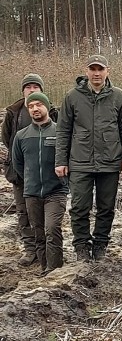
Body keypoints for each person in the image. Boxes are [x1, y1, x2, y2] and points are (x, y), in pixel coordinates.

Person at [55, 55, 122, 262]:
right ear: (87, 71)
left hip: (110, 160)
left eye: (100, 69)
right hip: (79, 161)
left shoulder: (118, 96)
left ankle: (101, 244)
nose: (96, 73)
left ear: (107, 71)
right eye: (93, 69)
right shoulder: (72, 96)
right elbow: (63, 130)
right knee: (80, 206)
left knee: (106, 206)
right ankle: (81, 245)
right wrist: (61, 161)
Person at [2, 73, 57, 266]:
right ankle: (30, 249)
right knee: (23, 211)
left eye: (36, 87)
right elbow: (7, 138)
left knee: (46, 217)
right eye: (28, 87)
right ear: (23, 91)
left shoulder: (52, 111)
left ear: (41, 90)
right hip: (20, 172)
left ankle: (48, 252)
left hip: (48, 175)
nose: (32, 90)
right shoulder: (13, 112)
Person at [11, 92, 68, 275]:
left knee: (52, 228)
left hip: (56, 191)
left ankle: (55, 269)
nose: (35, 109)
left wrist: (63, 180)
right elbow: (18, 163)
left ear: (47, 106)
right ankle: (45, 267)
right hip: (32, 193)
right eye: (31, 106)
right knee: (39, 233)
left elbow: (69, 160)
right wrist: (30, 180)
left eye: (39, 105)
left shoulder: (60, 132)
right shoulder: (21, 136)